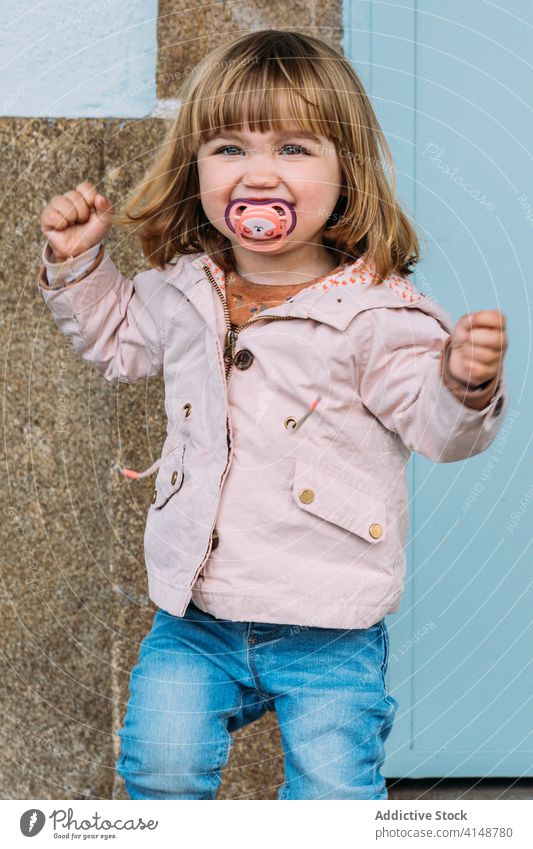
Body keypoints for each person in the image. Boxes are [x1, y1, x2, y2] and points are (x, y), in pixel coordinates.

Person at [37, 30, 508, 800]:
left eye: (293, 148)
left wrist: (461, 382)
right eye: (228, 148)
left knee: (332, 789)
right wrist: (79, 263)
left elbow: (435, 428)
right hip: (196, 614)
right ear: (196, 169)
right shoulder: (186, 289)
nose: (258, 172)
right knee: (158, 755)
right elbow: (116, 338)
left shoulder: (379, 314)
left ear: (343, 171)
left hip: (327, 621)